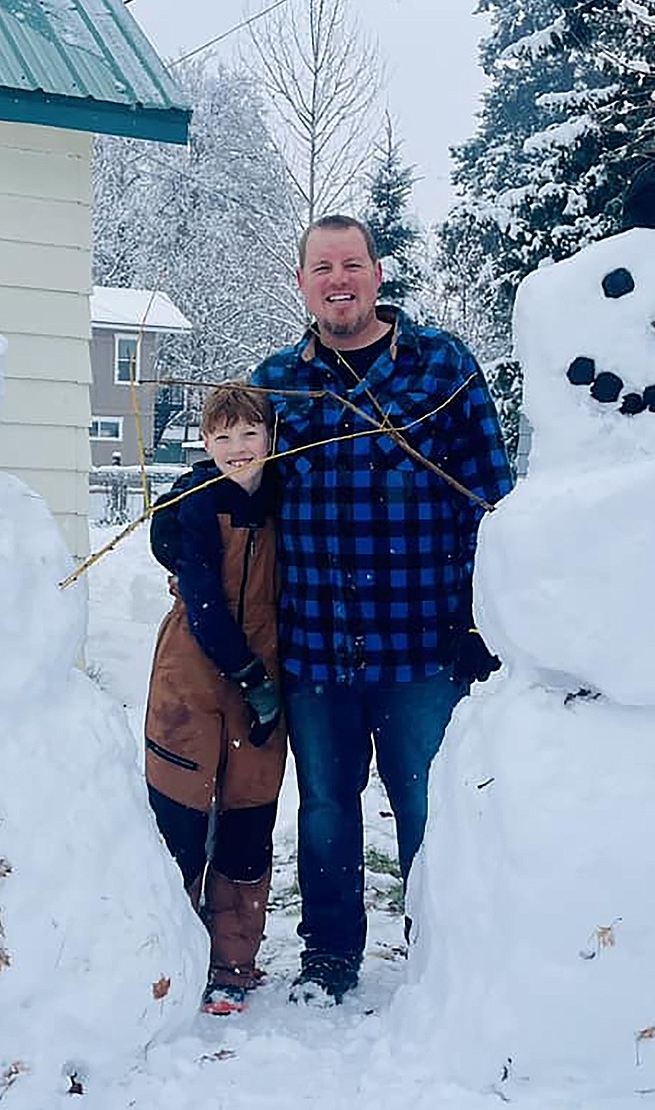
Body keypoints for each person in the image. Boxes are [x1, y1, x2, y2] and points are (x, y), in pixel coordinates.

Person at [250, 214, 513, 1006]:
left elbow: (494, 500)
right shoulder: (277, 382)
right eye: (323, 267)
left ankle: (442, 949)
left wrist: (482, 623)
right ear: (301, 282)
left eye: (353, 264)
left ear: (377, 272)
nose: (339, 279)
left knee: (426, 806)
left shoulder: (443, 366)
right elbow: (237, 491)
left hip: (423, 641)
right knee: (327, 809)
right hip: (316, 643)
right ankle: (329, 956)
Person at [143, 383, 287, 1015]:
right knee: (180, 817)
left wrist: (267, 681)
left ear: (271, 438)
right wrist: (248, 675)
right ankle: (168, 956)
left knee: (247, 820)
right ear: (204, 443)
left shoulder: (289, 502)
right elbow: (202, 597)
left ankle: (233, 960)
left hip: (267, 672)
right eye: (222, 437)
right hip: (194, 673)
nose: (237, 449)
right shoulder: (196, 504)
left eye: (249, 434)